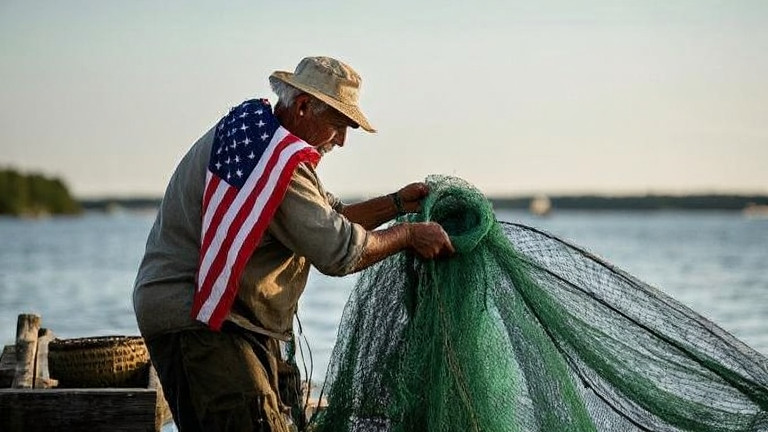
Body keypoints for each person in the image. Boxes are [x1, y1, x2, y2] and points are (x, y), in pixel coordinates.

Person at [132, 56, 454, 432]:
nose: (343, 140)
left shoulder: (259, 135)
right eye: (338, 125)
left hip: (219, 315)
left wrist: (397, 203)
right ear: (303, 106)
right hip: (197, 316)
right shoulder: (274, 161)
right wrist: (410, 235)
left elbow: (333, 218)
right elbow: (339, 252)